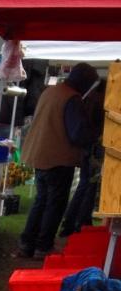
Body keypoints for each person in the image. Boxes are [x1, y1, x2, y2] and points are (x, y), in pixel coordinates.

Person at [17, 62, 99, 258]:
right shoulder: (72, 98)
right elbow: (77, 132)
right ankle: (43, 246)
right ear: (84, 82)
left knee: (41, 200)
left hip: (40, 153)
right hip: (57, 156)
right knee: (55, 203)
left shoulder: (51, 91)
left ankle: (27, 243)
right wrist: (95, 134)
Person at [59, 78, 106, 237]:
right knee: (89, 186)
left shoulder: (88, 99)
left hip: (88, 148)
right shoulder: (100, 103)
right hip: (95, 148)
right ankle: (80, 222)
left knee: (84, 185)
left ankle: (71, 222)